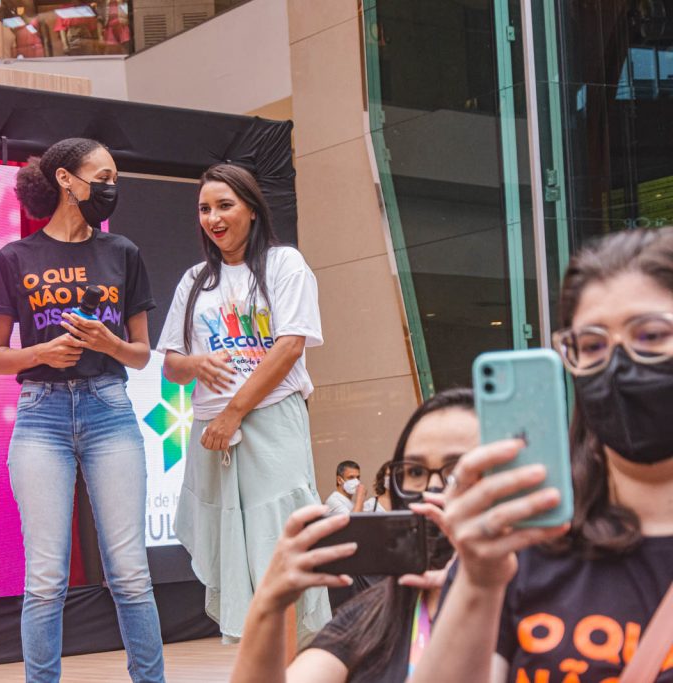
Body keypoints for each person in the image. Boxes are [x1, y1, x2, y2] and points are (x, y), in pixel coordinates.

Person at [411, 227, 673, 683]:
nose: (617, 364)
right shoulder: (522, 536)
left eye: (649, 335)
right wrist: (479, 580)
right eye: (591, 345)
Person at [0, 138, 165, 683]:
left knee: (131, 572)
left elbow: (140, 355)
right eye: (103, 175)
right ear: (66, 179)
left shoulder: (123, 253)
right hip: (41, 415)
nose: (112, 187)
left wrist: (106, 342)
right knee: (44, 576)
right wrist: (42, 351)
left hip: (109, 408)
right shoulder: (15, 258)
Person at [157, 163, 330, 642]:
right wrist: (195, 366)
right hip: (213, 432)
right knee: (229, 551)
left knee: (281, 540)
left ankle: (297, 662)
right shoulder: (194, 281)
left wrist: (236, 410)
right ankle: (257, 662)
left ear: (252, 209)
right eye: (204, 208)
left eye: (225, 205)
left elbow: (290, 345)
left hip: (271, 419)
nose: (213, 217)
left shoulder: (284, 264)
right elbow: (170, 362)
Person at [229, 388, 479, 683]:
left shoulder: (537, 591)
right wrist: (269, 603)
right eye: (415, 472)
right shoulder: (370, 617)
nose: (432, 488)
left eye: (458, 469)